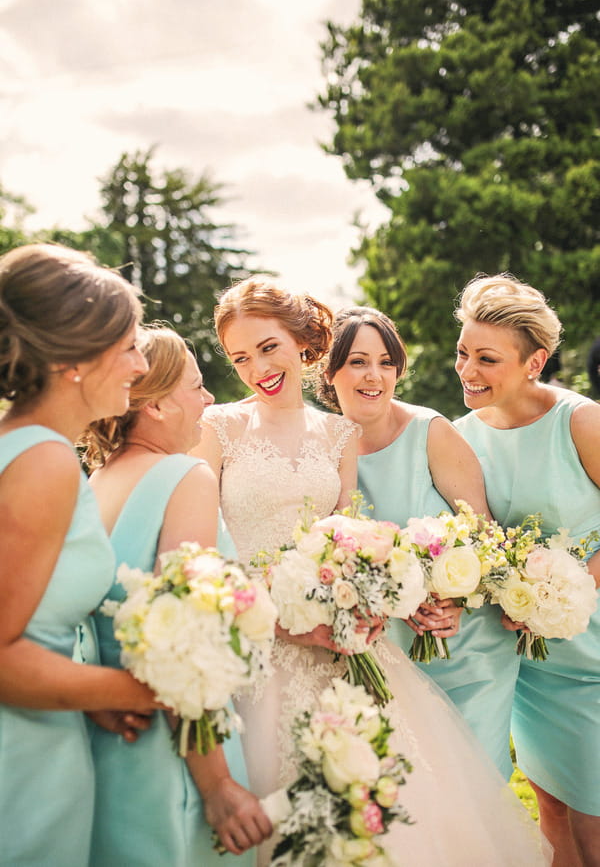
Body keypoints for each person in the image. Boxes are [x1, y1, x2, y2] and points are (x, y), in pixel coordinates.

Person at [194, 277, 549, 867]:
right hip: (251, 641)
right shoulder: (220, 429)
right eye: (240, 357)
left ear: (303, 343)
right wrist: (268, 614)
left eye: (269, 347)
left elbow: (346, 536)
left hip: (334, 644)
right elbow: (197, 539)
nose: (258, 368)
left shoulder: (339, 434)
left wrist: (361, 596)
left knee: (375, 805)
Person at [81, 325, 272, 866]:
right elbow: (186, 640)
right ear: (159, 404)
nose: (209, 399)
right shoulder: (185, 475)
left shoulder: (97, 481)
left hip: (112, 740)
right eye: (196, 385)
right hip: (179, 749)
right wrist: (217, 787)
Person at [0, 243, 162, 867]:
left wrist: (88, 693)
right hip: (21, 763)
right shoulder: (42, 461)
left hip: (45, 730)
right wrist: (147, 690)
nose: (142, 365)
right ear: (73, 359)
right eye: (128, 347)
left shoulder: (29, 447)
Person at [317, 305, 522, 781]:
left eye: (386, 362)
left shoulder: (429, 431)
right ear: (330, 372)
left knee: (477, 790)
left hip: (468, 651)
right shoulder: (322, 448)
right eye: (358, 362)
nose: (375, 375)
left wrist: (458, 599)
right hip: (388, 659)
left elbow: (484, 532)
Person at [453, 273, 600, 867]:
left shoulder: (582, 422)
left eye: (487, 358)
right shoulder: (459, 438)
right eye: (463, 352)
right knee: (554, 819)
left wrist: (576, 586)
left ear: (534, 360)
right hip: (525, 666)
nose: (468, 369)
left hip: (593, 657)